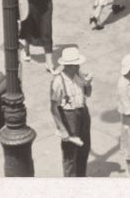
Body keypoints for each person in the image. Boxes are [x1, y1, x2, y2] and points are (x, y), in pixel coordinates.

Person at [50, 47, 93, 176]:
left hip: (83, 113)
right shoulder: (58, 81)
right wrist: (62, 128)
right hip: (69, 117)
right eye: (76, 64)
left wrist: (88, 84)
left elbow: (88, 94)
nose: (78, 66)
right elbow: (53, 108)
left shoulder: (79, 74)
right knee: (70, 155)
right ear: (68, 65)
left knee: (84, 150)